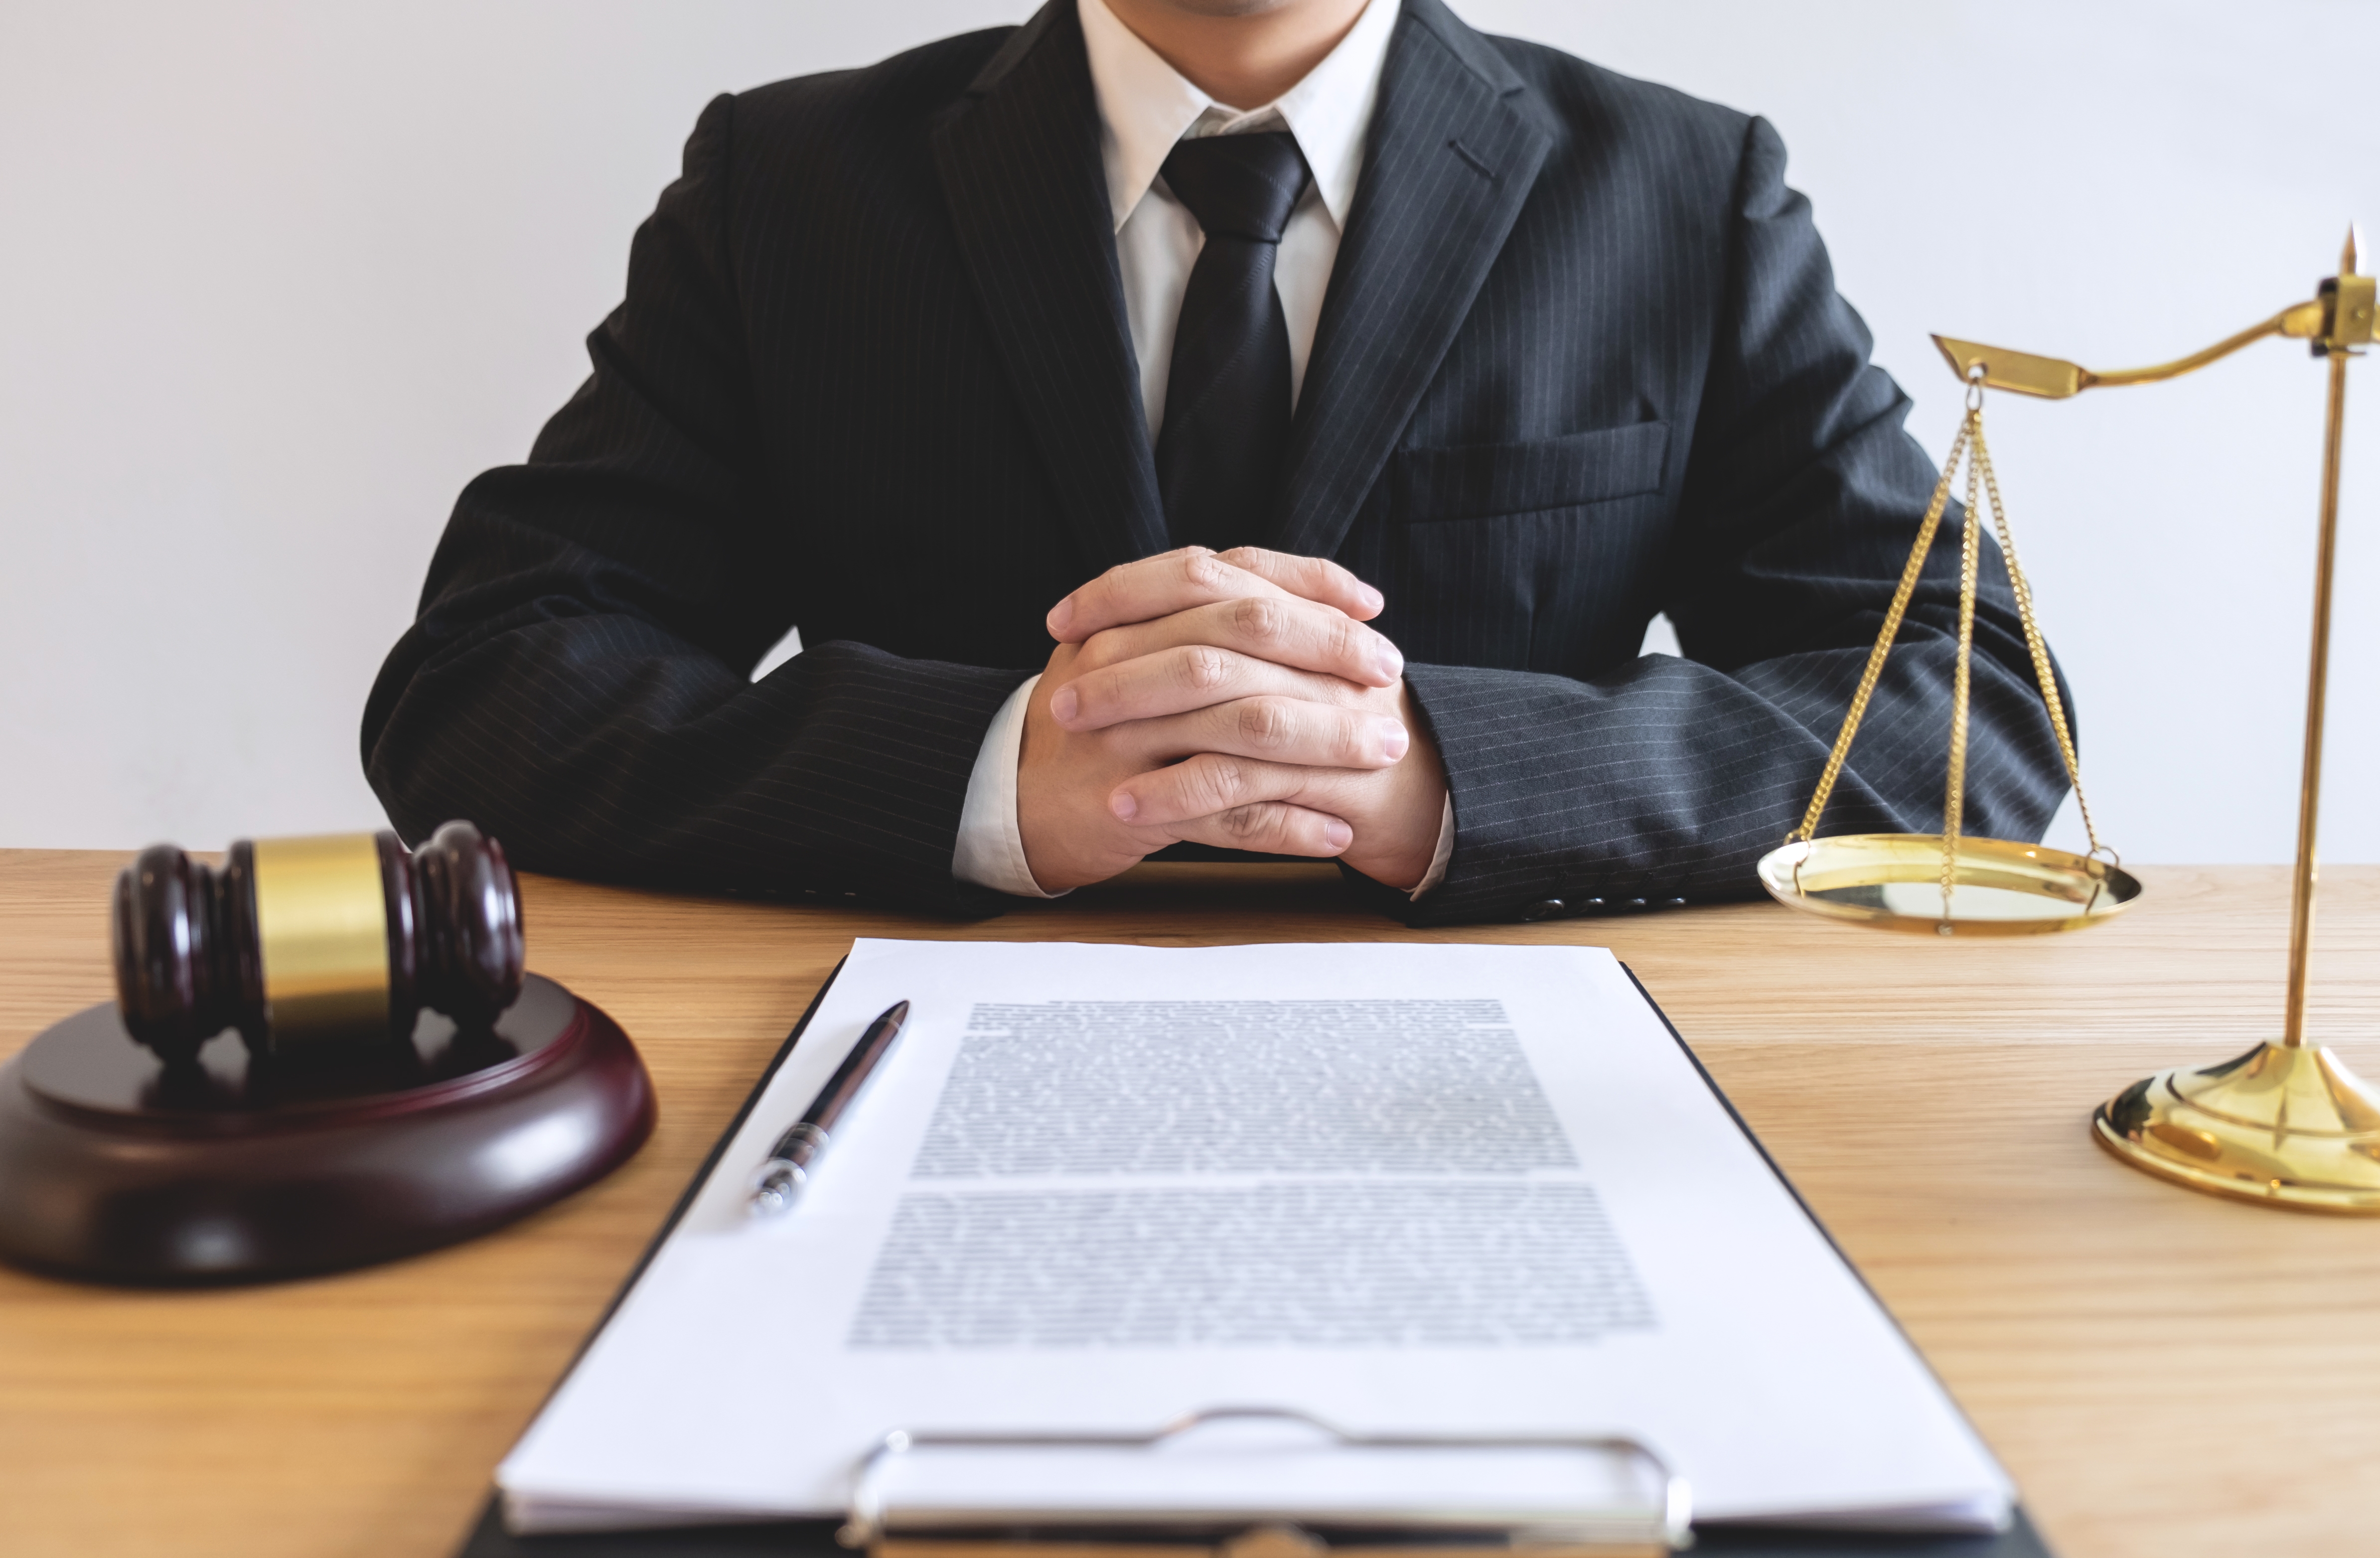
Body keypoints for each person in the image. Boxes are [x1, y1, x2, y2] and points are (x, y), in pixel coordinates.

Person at [362, 0, 2070, 925]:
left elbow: (1972, 710)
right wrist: (975, 775)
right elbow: (485, 684)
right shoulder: (791, 187)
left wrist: (1456, 776)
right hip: (884, 1060)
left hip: (1536, 1073)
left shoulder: (1683, 194)